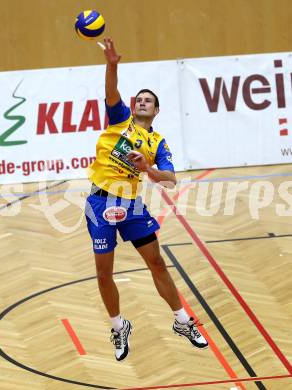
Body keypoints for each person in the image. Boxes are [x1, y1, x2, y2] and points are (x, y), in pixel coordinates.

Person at [85, 38, 208, 361]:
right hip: (100, 203)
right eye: (138, 99)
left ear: (156, 110)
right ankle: (118, 326)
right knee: (103, 273)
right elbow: (111, 91)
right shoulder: (120, 119)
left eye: (148, 100)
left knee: (156, 263)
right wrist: (112, 64)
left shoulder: (157, 142)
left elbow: (171, 179)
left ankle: (182, 321)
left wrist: (148, 168)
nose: (142, 102)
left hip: (132, 206)